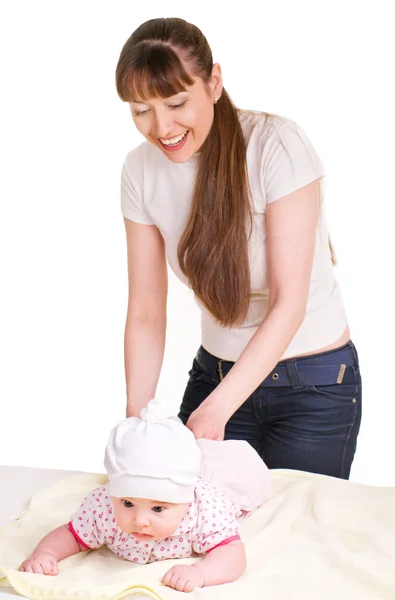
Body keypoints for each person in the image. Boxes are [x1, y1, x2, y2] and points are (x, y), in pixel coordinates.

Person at [117, 17, 362, 479]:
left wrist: (214, 413)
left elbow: (289, 304)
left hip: (311, 386)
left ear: (214, 82)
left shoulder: (276, 146)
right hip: (215, 374)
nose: (161, 126)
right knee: (185, 530)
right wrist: (136, 423)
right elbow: (147, 309)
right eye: (140, 109)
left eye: (176, 102)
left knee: (288, 541)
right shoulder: (139, 171)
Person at [19, 399, 270, 592]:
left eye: (158, 509)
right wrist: (46, 554)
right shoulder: (104, 506)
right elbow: (72, 534)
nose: (140, 520)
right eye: (128, 503)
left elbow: (232, 553)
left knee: (244, 478)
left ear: (186, 501)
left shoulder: (204, 509)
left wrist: (201, 573)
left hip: (223, 480)